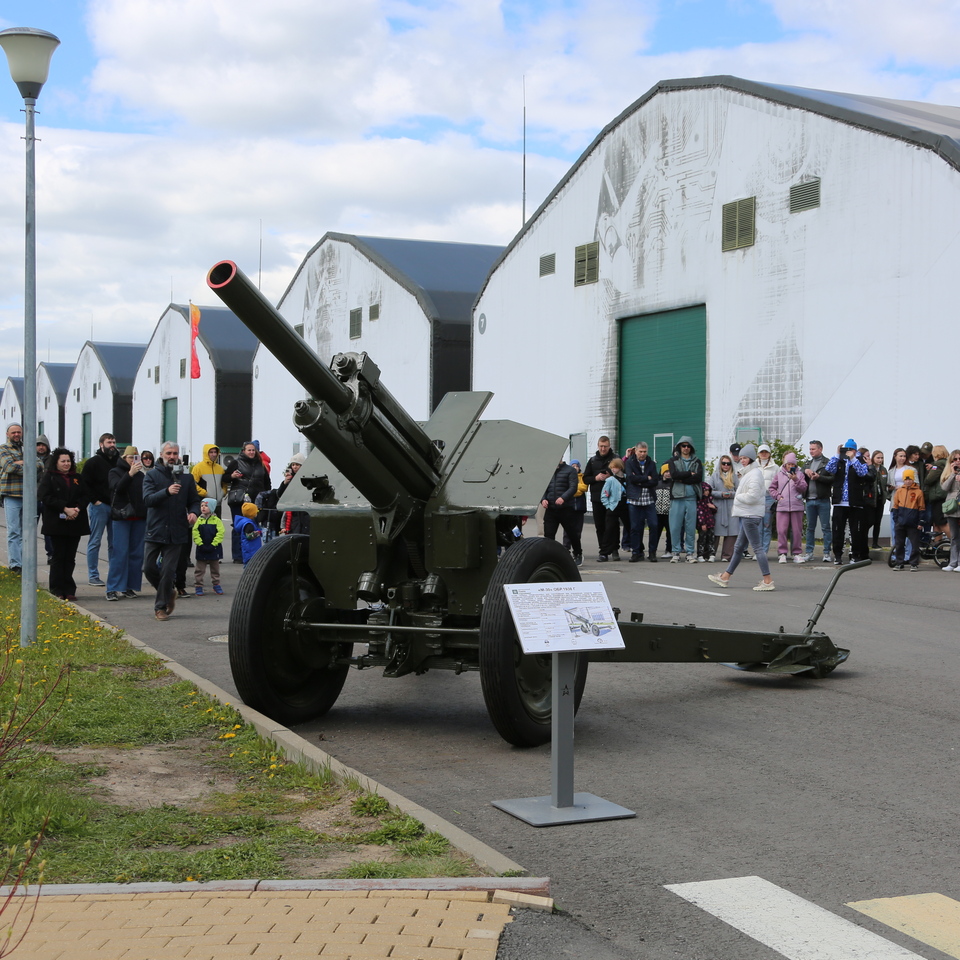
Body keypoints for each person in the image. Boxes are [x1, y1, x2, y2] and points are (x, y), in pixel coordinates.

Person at [142, 442, 201, 621]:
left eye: (175, 453)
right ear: (161, 455)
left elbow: (195, 501)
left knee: (168, 572)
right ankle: (168, 592)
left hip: (177, 531)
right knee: (148, 568)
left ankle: (160, 608)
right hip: (155, 529)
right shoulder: (151, 475)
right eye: (168, 453)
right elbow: (148, 500)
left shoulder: (186, 478)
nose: (172, 456)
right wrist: (166, 492)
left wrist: (194, 512)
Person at [707, 444, 775, 591]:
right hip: (747, 514)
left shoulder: (754, 474)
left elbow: (753, 496)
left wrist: (737, 497)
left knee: (757, 548)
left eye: (745, 458)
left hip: (750, 515)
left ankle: (768, 580)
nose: (742, 460)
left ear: (751, 459)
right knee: (738, 548)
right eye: (741, 458)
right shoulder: (750, 473)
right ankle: (725, 577)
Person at [37, 447, 90, 600]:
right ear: (56, 462)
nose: (66, 464)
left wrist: (77, 509)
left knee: (70, 557)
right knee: (58, 556)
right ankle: (56, 589)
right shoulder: (49, 477)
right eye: (63, 461)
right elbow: (45, 496)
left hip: (75, 522)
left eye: (68, 461)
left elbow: (86, 495)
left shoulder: (77, 478)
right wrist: (65, 508)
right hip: (56, 523)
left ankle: (69, 589)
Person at [823, 439, 875, 564]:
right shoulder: (839, 460)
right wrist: (837, 454)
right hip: (840, 502)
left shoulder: (860, 461)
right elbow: (829, 469)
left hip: (855, 502)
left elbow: (863, 473)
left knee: (855, 531)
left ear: (855, 451)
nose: (848, 452)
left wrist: (853, 459)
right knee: (838, 530)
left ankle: (855, 555)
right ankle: (838, 555)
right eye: (846, 449)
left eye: (851, 450)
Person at [106, 446, 147, 600]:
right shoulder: (115, 472)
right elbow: (117, 488)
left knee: (136, 554)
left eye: (136, 458)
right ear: (124, 458)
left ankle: (130, 586)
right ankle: (113, 588)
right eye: (131, 458)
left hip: (139, 518)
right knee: (120, 553)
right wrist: (130, 474)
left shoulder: (141, 475)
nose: (133, 461)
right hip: (122, 518)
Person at [80, 432, 120, 586]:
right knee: (95, 541)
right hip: (100, 507)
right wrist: (94, 501)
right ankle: (93, 575)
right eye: (109, 442)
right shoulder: (93, 462)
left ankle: (114, 575)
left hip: (116, 507)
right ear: (101, 444)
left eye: (114, 442)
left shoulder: (119, 462)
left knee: (114, 543)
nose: (112, 445)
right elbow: (84, 484)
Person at [0, 422, 38, 573]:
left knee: (27, 532)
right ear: (7, 434)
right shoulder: (3, 449)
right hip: (11, 494)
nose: (16, 434)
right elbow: (8, 467)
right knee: (14, 531)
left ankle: (25, 563)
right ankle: (15, 564)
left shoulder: (28, 448)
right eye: (13, 432)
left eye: (18, 432)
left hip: (28, 496)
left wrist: (21, 463)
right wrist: (29, 465)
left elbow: (40, 465)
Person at [223, 441, 268, 563]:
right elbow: (225, 478)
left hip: (255, 501)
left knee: (253, 527)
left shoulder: (261, 464)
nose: (252, 452)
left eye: (253, 450)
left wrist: (266, 496)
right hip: (239, 500)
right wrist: (232, 476)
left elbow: (266, 482)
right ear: (243, 451)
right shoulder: (236, 463)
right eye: (249, 450)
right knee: (238, 526)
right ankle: (238, 555)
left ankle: (252, 554)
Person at [665, 437, 703, 563]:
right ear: (679, 447)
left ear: (691, 447)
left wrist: (682, 479)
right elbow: (674, 475)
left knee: (690, 528)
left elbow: (698, 478)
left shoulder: (697, 461)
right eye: (683, 446)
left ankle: (690, 553)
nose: (686, 448)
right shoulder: (673, 460)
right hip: (677, 497)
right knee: (675, 527)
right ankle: (675, 552)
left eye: (688, 446)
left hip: (691, 498)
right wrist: (689, 473)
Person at [767, 452, 808, 562]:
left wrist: (795, 479)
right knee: (782, 530)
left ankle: (797, 553)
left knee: (797, 531)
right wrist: (778, 496)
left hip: (797, 506)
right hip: (782, 506)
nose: (790, 466)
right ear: (785, 464)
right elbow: (771, 488)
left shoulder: (800, 474)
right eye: (788, 464)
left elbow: (804, 488)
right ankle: (782, 553)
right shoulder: (779, 474)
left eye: (792, 464)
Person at [541, 460, 583, 565]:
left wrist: (563, 498)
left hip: (566, 508)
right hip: (551, 509)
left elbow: (573, 487)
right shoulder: (547, 470)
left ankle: (578, 553)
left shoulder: (570, 470)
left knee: (572, 534)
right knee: (548, 535)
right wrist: (543, 499)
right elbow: (542, 487)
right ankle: (549, 556)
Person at [583, 436, 618, 561]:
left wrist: (611, 475)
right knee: (600, 526)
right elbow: (585, 479)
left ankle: (614, 549)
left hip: (612, 498)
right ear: (598, 446)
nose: (603, 449)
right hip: (597, 498)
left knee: (612, 525)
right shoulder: (592, 461)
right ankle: (603, 551)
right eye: (601, 446)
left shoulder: (615, 459)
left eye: (605, 446)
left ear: (609, 446)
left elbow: (623, 474)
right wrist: (596, 478)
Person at [624, 442, 658, 562]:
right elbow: (630, 478)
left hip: (649, 500)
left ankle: (652, 552)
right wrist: (646, 478)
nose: (642, 454)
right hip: (634, 500)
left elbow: (655, 480)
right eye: (640, 451)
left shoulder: (651, 464)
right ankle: (636, 552)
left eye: (644, 451)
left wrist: (639, 481)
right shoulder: (630, 462)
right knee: (635, 527)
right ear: (636, 451)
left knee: (654, 525)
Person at [800, 440, 832, 563]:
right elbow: (799, 475)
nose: (811, 451)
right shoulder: (807, 463)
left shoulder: (827, 463)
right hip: (809, 500)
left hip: (823, 500)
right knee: (810, 528)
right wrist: (805, 471)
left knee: (825, 527)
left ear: (820, 449)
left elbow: (832, 479)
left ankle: (827, 553)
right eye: (810, 449)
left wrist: (819, 477)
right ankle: (809, 552)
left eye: (813, 449)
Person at [891, 468, 924, 570]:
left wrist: (920, 522)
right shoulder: (899, 491)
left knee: (914, 544)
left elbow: (921, 508)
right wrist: (896, 520)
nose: (908, 481)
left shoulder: (918, 492)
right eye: (906, 479)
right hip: (900, 522)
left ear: (913, 479)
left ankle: (914, 563)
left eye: (910, 479)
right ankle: (899, 562)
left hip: (913, 523)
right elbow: (895, 506)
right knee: (899, 544)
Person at [709, 454, 739, 562]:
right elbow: (709, 491)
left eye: (728, 463)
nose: (726, 465)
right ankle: (711, 554)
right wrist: (721, 494)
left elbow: (739, 491)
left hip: (731, 506)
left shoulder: (734, 476)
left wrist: (730, 494)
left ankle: (727, 556)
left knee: (732, 532)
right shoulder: (715, 476)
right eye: (724, 463)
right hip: (718, 506)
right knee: (715, 531)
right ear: (720, 464)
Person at [193, 498, 225, 595]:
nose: (203, 508)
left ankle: (216, 584)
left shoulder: (217, 520)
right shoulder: (199, 520)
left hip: (214, 548)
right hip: (201, 548)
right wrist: (200, 543)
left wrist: (214, 544)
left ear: (211, 508)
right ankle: (198, 585)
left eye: (206, 506)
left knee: (215, 568)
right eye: (202, 506)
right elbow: (195, 532)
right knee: (199, 569)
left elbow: (220, 533)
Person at [599, 458, 627, 561]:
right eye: (612, 468)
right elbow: (604, 495)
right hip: (613, 506)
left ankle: (637, 550)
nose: (613, 470)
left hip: (625, 506)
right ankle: (604, 553)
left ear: (620, 467)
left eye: (614, 467)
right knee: (610, 529)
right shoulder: (610, 480)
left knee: (631, 527)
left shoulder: (627, 478)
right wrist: (608, 506)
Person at [277, 453, 310, 536]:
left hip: (305, 513)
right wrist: (284, 483)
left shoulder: (308, 478)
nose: (295, 467)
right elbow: (280, 495)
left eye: (297, 465)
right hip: (294, 515)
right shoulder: (289, 480)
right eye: (293, 465)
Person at [191, 444, 227, 515]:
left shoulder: (220, 469)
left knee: (217, 522)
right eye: (211, 452)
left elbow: (224, 483)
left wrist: (223, 492)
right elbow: (192, 484)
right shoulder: (198, 468)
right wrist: (204, 493)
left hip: (218, 505)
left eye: (215, 452)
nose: (214, 454)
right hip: (205, 505)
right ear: (206, 453)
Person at [756, 443, 778, 557]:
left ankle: (764, 551)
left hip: (769, 497)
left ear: (769, 454)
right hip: (756, 497)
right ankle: (758, 551)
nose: (764, 454)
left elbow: (778, 483)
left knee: (767, 526)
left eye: (766, 452)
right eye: (762, 452)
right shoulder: (753, 466)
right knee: (758, 526)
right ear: (758, 454)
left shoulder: (775, 467)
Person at [939, 450, 960, 571]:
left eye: (959, 459)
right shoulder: (947, 472)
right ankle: (953, 563)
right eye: (955, 459)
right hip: (952, 507)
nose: (957, 461)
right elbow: (945, 488)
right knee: (954, 536)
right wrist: (953, 474)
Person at [924, 444, 949, 538]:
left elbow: (929, 479)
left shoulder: (938, 464)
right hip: (942, 496)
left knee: (941, 521)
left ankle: (954, 541)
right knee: (936, 523)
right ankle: (938, 544)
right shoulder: (946, 463)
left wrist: (930, 471)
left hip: (938, 496)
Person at [868, 451, 888, 549]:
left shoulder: (883, 470)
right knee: (870, 520)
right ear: (873, 458)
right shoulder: (870, 468)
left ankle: (875, 542)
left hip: (880, 499)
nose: (880, 460)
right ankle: (864, 540)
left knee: (878, 522)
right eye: (878, 458)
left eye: (881, 458)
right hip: (872, 499)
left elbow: (885, 483)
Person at [695, 480, 716, 561]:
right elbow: (700, 513)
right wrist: (702, 523)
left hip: (710, 522)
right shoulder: (699, 501)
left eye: (708, 490)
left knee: (711, 539)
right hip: (702, 523)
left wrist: (713, 507)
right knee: (702, 539)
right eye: (705, 490)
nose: (707, 492)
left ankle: (711, 554)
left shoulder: (710, 499)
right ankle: (700, 554)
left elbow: (713, 511)